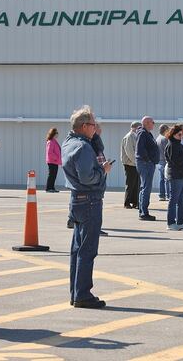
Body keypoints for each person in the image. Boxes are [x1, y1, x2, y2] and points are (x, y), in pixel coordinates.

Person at [62, 106, 111, 309]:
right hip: (89, 199)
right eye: (93, 124)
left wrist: (95, 136)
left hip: (77, 200)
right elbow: (87, 176)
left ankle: (76, 292)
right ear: (84, 126)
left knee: (78, 248)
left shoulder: (69, 142)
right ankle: (82, 294)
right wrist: (103, 171)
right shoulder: (83, 148)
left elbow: (93, 146)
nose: (96, 127)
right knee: (87, 250)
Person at [165, 124, 183, 231]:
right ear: (174, 134)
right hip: (176, 176)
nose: (181, 136)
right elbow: (176, 161)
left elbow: (182, 158)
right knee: (174, 199)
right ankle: (171, 223)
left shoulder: (179, 144)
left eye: (182, 134)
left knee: (181, 200)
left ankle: (180, 221)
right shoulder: (172, 145)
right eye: (179, 134)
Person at [134, 116, 158, 221]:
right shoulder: (142, 133)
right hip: (145, 164)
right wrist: (148, 160)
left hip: (148, 163)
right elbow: (140, 149)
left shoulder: (147, 133)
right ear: (147, 123)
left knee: (145, 187)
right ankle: (144, 212)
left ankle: (143, 210)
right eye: (152, 122)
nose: (153, 124)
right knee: (146, 188)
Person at [120, 121, 141, 209]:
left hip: (134, 164)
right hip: (130, 164)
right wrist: (136, 162)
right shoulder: (129, 137)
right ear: (134, 128)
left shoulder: (135, 136)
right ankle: (127, 203)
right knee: (130, 183)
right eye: (139, 128)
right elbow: (130, 152)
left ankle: (135, 202)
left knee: (136, 184)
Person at [156, 124, 170, 202]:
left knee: (161, 179)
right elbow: (167, 151)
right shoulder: (165, 139)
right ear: (165, 130)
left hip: (160, 161)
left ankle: (161, 195)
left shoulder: (158, 138)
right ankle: (168, 195)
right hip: (165, 161)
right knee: (167, 179)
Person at [45, 128, 62, 193]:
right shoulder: (51, 142)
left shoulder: (54, 141)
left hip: (55, 161)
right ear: (53, 134)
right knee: (51, 175)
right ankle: (48, 188)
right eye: (56, 133)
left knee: (54, 175)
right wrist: (56, 158)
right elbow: (50, 152)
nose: (58, 134)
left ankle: (52, 187)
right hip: (52, 161)